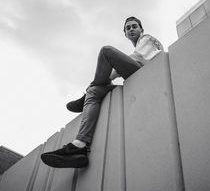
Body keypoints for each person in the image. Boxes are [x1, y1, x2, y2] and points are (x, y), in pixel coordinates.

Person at [41, 16, 164, 168]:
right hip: (133, 79)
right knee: (94, 92)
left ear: (141, 29)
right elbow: (123, 67)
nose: (131, 29)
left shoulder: (147, 38)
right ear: (125, 34)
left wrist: (108, 77)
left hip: (145, 76)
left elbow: (137, 59)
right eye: (128, 28)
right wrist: (105, 80)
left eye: (134, 26)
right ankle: (79, 145)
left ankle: (86, 93)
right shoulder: (137, 45)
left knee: (106, 51)